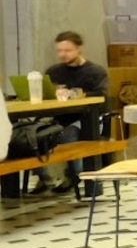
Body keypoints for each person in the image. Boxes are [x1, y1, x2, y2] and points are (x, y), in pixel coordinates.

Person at [31, 31, 109, 195]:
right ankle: (45, 177)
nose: (63, 54)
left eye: (67, 50)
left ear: (79, 49)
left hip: (89, 119)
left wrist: (74, 93)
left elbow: (102, 95)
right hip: (60, 119)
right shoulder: (53, 71)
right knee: (30, 133)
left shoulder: (95, 71)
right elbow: (47, 95)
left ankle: (76, 177)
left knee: (69, 133)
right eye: (59, 50)